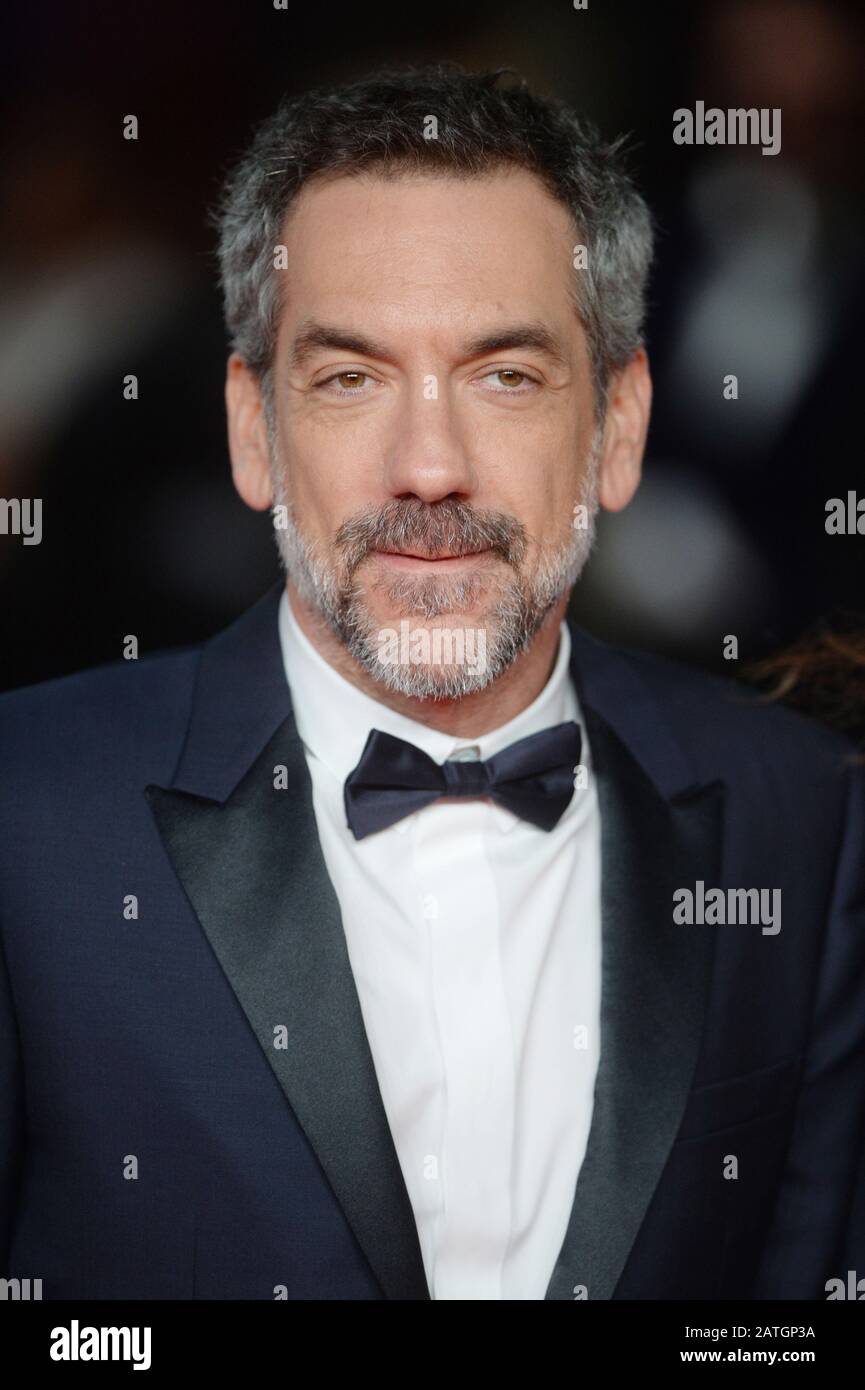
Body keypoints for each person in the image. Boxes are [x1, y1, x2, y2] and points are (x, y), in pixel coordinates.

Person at [1, 63, 863, 1302]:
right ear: (253, 431)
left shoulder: (806, 814)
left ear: (618, 430)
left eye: (504, 375)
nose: (428, 467)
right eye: (349, 377)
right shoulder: (26, 816)